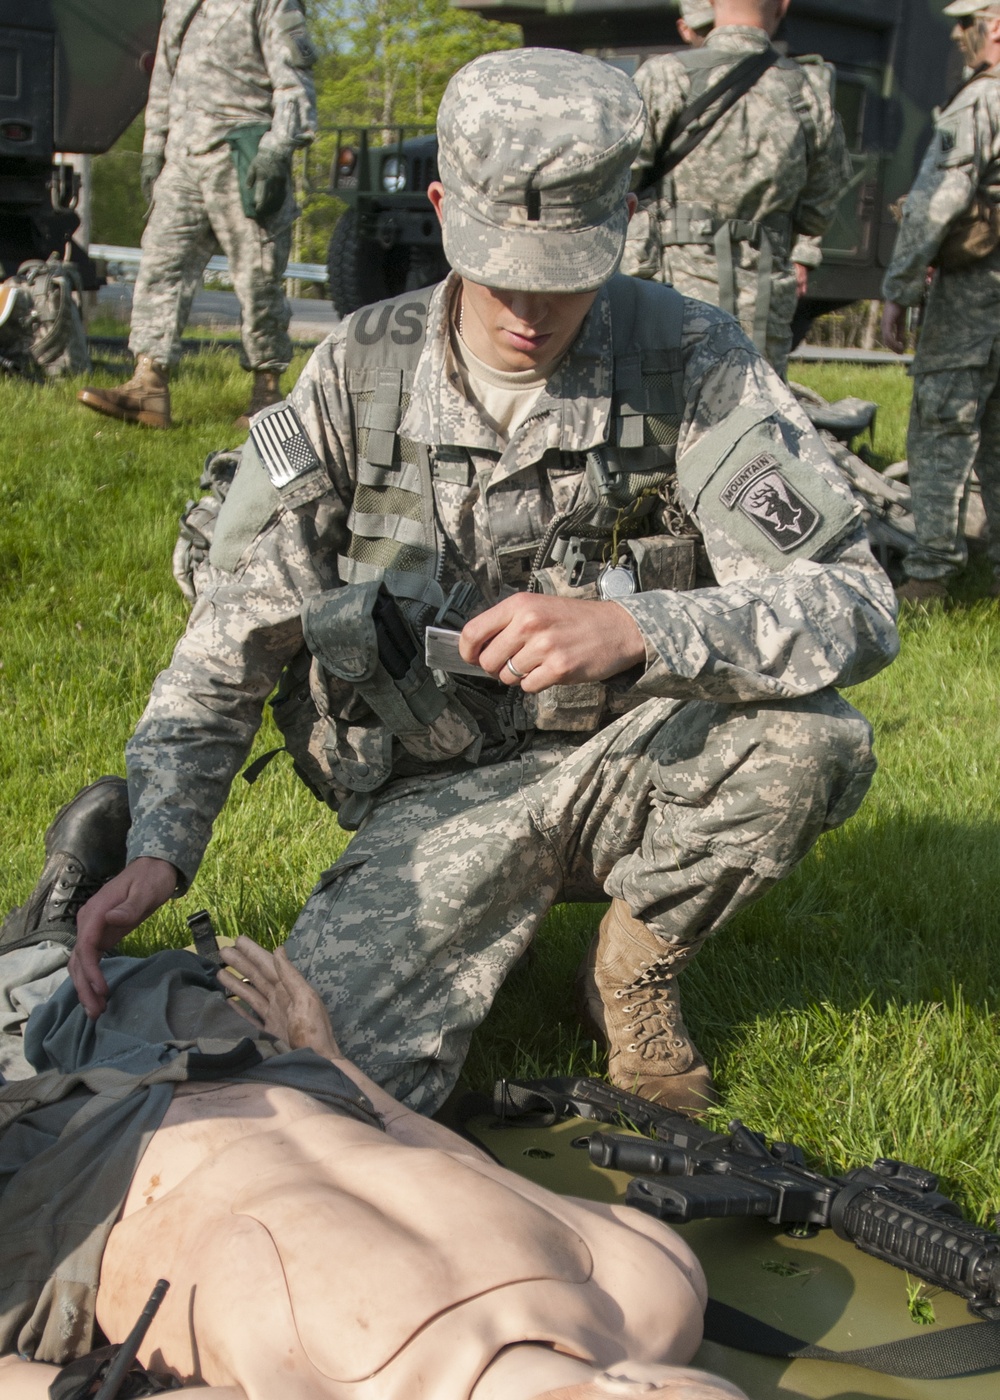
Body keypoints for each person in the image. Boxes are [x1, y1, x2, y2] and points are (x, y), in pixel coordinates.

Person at [51, 47, 896, 1120]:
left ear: (625, 219)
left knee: (813, 742)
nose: (532, 312)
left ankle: (633, 963)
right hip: (432, 793)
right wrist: (163, 848)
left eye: (567, 275)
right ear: (444, 208)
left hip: (620, 758)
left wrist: (637, 628)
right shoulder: (355, 374)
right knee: (318, 1085)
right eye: (504, 272)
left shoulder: (690, 359)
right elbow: (228, 642)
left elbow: (856, 598)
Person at [0, 887, 746, 1400]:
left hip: (80, 1182)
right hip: (277, 1085)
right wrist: (333, 1062)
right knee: (121, 987)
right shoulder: (650, 1287)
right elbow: (457, 1171)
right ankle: (50, 931)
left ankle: (36, 944)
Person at [76, 0, 317, 431]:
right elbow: (163, 78)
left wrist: (278, 149)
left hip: (241, 152)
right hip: (183, 160)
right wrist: (154, 149)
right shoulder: (181, 3)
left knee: (258, 279)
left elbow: (294, 83)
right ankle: (148, 385)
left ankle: (267, 394)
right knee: (159, 266)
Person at [624, 0, 847, 378]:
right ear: (783, 5)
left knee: (662, 417)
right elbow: (818, 210)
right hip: (763, 300)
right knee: (754, 416)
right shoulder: (809, 93)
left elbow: (618, 180)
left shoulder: (666, 76)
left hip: (669, 292)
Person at [881, 0, 1000, 604]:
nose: (957, 35)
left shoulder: (980, 103)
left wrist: (899, 290)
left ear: (996, 25)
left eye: (966, 21)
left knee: (941, 425)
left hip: (975, 303)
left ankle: (931, 574)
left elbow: (936, 202)